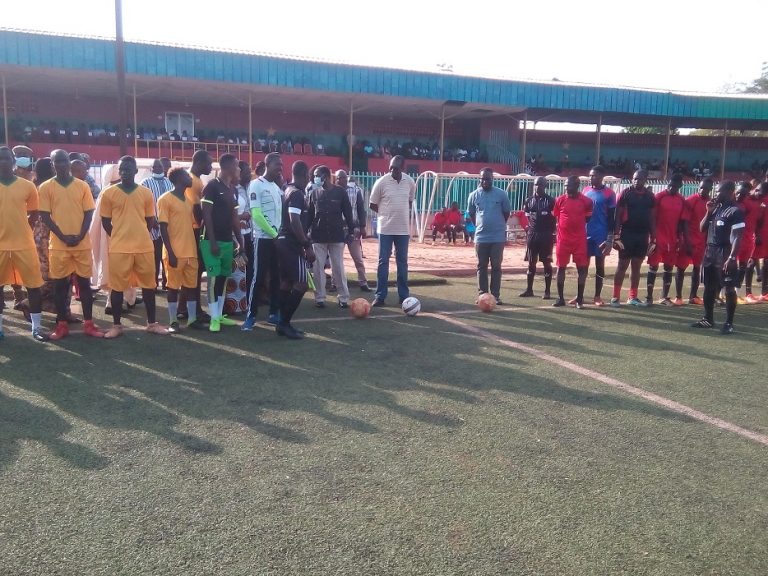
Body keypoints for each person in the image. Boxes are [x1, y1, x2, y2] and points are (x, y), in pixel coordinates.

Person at [100, 155, 169, 338]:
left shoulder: (145, 193)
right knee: (117, 288)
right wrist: (120, 236)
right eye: (121, 169)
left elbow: (150, 220)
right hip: (119, 248)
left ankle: (152, 323)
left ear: (136, 171)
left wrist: (138, 235)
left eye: (128, 169)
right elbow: (106, 222)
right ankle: (116, 325)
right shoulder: (109, 193)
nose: (124, 172)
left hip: (143, 247)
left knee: (148, 287)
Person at [38, 149, 103, 339]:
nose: (61, 165)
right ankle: (62, 325)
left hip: (82, 244)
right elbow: (44, 215)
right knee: (60, 286)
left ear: (69, 162)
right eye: (57, 161)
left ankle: (89, 324)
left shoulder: (82, 186)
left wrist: (81, 234)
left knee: (84, 285)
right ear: (52, 164)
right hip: (58, 245)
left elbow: (89, 212)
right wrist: (63, 236)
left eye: (64, 161)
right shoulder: (46, 187)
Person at [0, 146, 49, 342]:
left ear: (13, 162)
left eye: (6, 158)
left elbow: (34, 213)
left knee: (33, 286)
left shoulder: (27, 186)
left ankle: (36, 327)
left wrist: (23, 230)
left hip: (24, 244)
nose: (2, 161)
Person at [691, 180, 744, 334]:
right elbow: (702, 228)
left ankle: (729, 323)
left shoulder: (735, 211)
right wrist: (708, 211)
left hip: (725, 252)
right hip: (710, 252)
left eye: (719, 191)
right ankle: (708, 319)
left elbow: (737, 237)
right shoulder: (715, 209)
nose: (715, 194)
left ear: (729, 192)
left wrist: (732, 257)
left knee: (728, 288)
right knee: (708, 287)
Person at [200, 154, 244, 333]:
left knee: (223, 278)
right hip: (212, 241)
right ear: (227, 168)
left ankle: (219, 315)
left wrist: (239, 240)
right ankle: (214, 318)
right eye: (237, 166)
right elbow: (206, 215)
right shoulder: (211, 187)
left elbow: (234, 218)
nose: (239, 169)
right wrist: (212, 241)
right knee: (212, 280)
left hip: (227, 240)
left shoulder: (232, 189)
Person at [306, 165, 357, 308]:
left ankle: (343, 298)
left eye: (317, 175)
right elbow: (309, 215)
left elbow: (348, 213)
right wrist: (305, 234)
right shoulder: (314, 194)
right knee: (318, 268)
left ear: (326, 176)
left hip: (337, 236)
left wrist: (351, 232)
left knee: (338, 268)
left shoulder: (340, 192)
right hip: (318, 236)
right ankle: (320, 298)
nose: (314, 178)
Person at [242, 152, 283, 330]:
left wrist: (279, 234)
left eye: (281, 166)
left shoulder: (276, 187)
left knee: (276, 277)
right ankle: (250, 317)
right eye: (277, 166)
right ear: (268, 165)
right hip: (263, 239)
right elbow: (256, 214)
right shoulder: (256, 185)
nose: (280, 169)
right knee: (258, 277)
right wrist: (273, 234)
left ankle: (274, 313)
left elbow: (279, 214)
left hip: (276, 239)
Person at [158, 167, 202, 332]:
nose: (189, 178)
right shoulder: (165, 199)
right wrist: (170, 252)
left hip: (190, 252)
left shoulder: (188, 201)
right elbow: (163, 228)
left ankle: (191, 320)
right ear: (178, 179)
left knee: (191, 287)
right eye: (186, 175)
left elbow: (191, 226)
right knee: (173, 287)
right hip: (175, 253)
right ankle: (173, 321)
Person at [275, 161, 315, 339]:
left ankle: (281, 323)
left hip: (283, 242)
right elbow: (294, 220)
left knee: (286, 282)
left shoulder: (287, 189)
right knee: (301, 283)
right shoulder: (297, 193)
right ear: (305, 175)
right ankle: (284, 323)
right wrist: (306, 245)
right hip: (291, 244)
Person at [369, 155, 416, 307]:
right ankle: (380, 296)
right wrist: (385, 214)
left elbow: (409, 202)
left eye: (395, 168)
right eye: (390, 167)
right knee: (383, 262)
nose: (392, 170)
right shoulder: (381, 182)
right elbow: (372, 204)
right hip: (385, 229)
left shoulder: (410, 182)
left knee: (402, 262)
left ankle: (403, 296)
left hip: (403, 230)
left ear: (402, 168)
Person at [610, 170, 655, 307]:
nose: (636, 181)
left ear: (645, 180)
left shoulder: (650, 196)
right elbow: (617, 215)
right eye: (634, 179)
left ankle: (633, 297)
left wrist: (654, 239)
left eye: (639, 179)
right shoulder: (625, 193)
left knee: (636, 266)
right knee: (622, 265)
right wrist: (616, 236)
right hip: (627, 234)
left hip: (642, 235)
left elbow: (652, 218)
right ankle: (615, 297)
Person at [467, 168, 511, 305]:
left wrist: (497, 226)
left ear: (493, 179)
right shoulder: (473, 195)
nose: (485, 181)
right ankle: (483, 295)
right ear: (479, 180)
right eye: (483, 179)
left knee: (496, 266)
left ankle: (495, 296)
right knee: (481, 266)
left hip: (497, 238)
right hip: (481, 238)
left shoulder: (502, 194)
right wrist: (481, 226)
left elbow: (506, 213)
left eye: (488, 179)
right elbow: (472, 214)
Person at [178, 149, 212, 323]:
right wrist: (207, 230)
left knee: (194, 271)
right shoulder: (193, 181)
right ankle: (195, 309)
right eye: (208, 163)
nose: (210, 166)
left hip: (190, 230)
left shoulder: (195, 180)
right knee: (196, 271)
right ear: (199, 162)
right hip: (193, 230)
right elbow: (197, 210)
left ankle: (183, 307)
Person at [552, 175, 593, 308]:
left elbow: (587, 219)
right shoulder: (560, 200)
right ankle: (560, 298)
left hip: (579, 240)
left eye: (568, 185)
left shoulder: (587, 201)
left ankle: (580, 299)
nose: (566, 188)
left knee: (581, 269)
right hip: (563, 240)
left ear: (576, 186)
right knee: (560, 268)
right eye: (565, 186)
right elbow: (557, 217)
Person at [647, 173, 687, 305]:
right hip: (658, 237)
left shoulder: (681, 200)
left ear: (680, 186)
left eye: (675, 186)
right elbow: (652, 217)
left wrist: (679, 238)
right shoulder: (659, 197)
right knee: (653, 265)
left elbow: (682, 221)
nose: (672, 188)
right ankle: (649, 297)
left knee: (669, 267)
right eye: (670, 185)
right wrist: (652, 237)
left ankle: (664, 297)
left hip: (673, 239)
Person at [582, 165, 616, 306]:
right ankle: (580, 295)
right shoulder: (585, 190)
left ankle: (597, 296)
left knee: (599, 265)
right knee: (583, 265)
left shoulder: (609, 194)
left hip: (601, 234)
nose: (591, 178)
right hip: (585, 234)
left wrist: (610, 237)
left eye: (594, 175)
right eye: (590, 175)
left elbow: (612, 217)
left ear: (602, 177)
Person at [676, 177, 713, 305]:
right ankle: (678, 297)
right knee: (681, 268)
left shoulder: (710, 203)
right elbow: (684, 222)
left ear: (710, 189)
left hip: (702, 241)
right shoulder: (691, 200)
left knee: (697, 268)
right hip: (689, 240)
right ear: (699, 187)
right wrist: (687, 242)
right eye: (701, 187)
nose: (703, 190)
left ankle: (693, 296)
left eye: (706, 188)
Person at [520, 176, 556, 299]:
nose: (537, 187)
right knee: (531, 263)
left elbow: (554, 219)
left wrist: (552, 234)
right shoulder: (528, 201)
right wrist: (529, 231)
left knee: (546, 263)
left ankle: (547, 291)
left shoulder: (551, 201)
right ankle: (529, 289)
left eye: (540, 185)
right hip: (533, 235)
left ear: (545, 186)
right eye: (536, 184)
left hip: (546, 235)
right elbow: (528, 218)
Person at [140, 158, 173, 291]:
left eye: (160, 167)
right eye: (156, 167)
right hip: (152, 225)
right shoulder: (145, 183)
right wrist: (151, 220)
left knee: (167, 255)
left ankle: (168, 282)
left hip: (168, 225)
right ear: (151, 169)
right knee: (154, 256)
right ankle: (153, 283)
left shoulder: (170, 182)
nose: (158, 169)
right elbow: (142, 203)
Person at [336, 170, 370, 292]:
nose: (343, 180)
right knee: (337, 259)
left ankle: (363, 282)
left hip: (353, 229)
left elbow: (361, 209)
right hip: (338, 230)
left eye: (345, 177)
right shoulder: (334, 191)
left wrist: (362, 226)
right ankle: (335, 283)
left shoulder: (355, 191)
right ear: (337, 179)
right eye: (341, 178)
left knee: (358, 258)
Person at [734, 181, 761, 303]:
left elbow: (758, 221)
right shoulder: (736, 203)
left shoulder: (756, 203)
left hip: (748, 239)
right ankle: (722, 293)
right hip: (736, 238)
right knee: (731, 264)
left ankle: (736, 292)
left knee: (742, 266)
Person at [236, 160, 255, 304]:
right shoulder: (233, 189)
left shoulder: (250, 187)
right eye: (247, 172)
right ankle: (237, 301)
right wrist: (243, 216)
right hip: (237, 236)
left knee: (250, 267)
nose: (250, 174)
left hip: (250, 234)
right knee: (238, 268)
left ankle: (249, 297)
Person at [753, 182, 768, 300]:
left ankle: (764, 292)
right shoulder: (761, 202)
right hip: (761, 236)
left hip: (763, 236)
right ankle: (750, 292)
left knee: (764, 262)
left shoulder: (763, 202)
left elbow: (760, 219)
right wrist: (757, 234)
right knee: (753, 260)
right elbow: (758, 220)